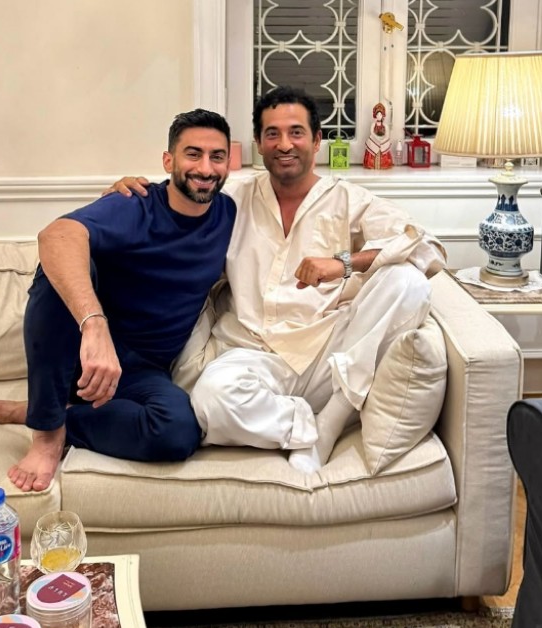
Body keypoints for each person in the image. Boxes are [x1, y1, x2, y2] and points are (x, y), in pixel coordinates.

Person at [110, 87, 446, 474]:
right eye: (272, 134)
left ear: (316, 141)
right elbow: (181, 195)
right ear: (259, 143)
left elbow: (428, 250)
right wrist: (132, 196)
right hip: (248, 354)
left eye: (296, 132)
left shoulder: (348, 199)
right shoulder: (232, 199)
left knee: (408, 282)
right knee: (209, 400)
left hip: (326, 354)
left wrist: (344, 263)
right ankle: (303, 425)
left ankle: (332, 420)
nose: (284, 144)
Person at [0, 109, 237, 493]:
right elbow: (56, 236)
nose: (206, 168)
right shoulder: (134, 202)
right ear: (168, 161)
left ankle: (51, 416)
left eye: (217, 156)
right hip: (80, 360)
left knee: (178, 433)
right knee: (60, 269)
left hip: (142, 374)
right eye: (193, 154)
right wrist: (94, 325)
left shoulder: (231, 212)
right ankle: (46, 434)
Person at [363, 102, 394, 169]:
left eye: (380, 115)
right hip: (375, 138)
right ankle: (371, 164)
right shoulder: (373, 124)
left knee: (385, 143)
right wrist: (377, 138)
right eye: (377, 115)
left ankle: (383, 164)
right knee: (371, 140)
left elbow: (387, 134)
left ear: (382, 115)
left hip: (382, 139)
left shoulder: (385, 125)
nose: (379, 116)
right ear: (375, 115)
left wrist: (383, 139)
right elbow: (372, 132)